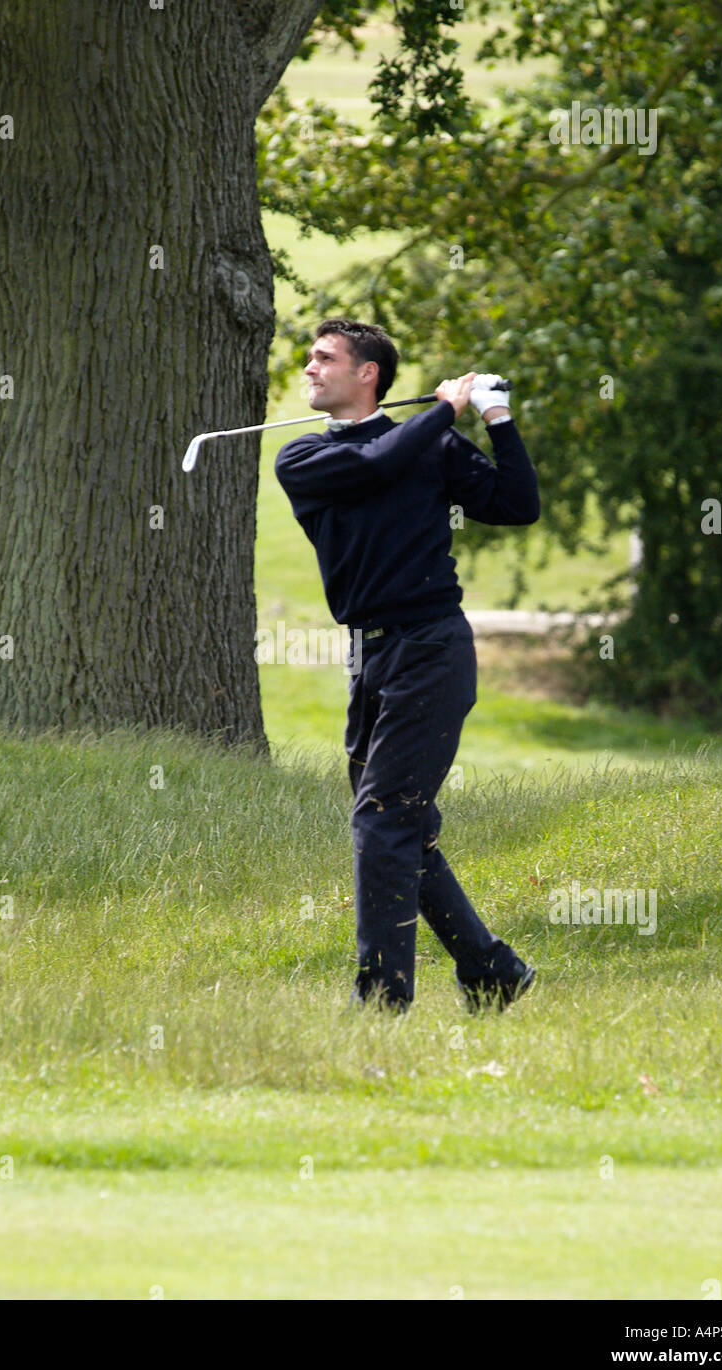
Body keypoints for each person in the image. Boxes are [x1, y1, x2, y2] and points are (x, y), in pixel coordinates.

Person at [274, 318, 541, 1014]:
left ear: (368, 374)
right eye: (309, 358)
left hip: (431, 648)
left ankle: (381, 1001)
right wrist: (445, 411)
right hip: (368, 656)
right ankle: (491, 970)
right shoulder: (303, 458)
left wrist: (497, 419)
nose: (308, 368)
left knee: (383, 821)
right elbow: (374, 464)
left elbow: (515, 506)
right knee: (403, 827)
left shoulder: (432, 445)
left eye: (323, 358)